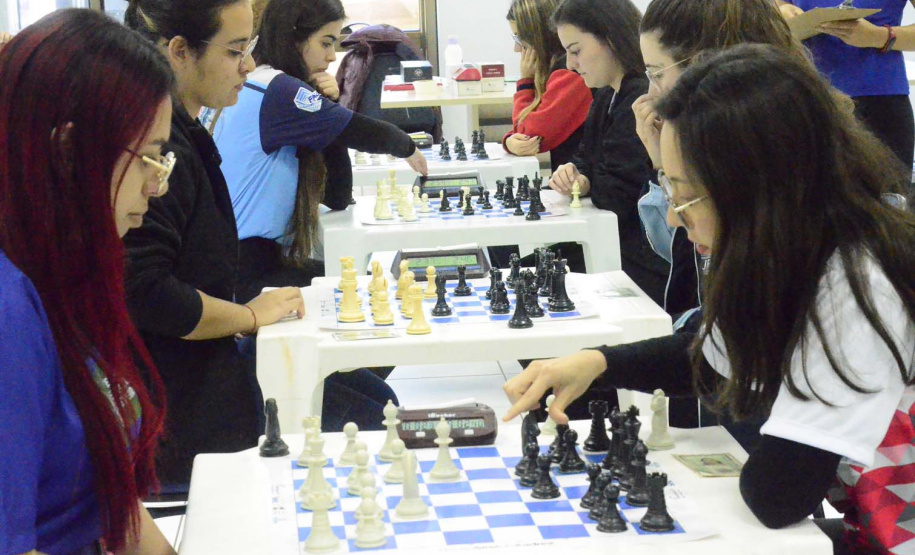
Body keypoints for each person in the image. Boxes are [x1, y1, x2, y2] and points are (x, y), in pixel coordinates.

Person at [505, 44, 915, 555]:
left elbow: (778, 494)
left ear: (760, 188)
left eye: (686, 193)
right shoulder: (792, 246)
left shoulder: (860, 281)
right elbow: (713, 363)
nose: (674, 216)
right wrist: (596, 363)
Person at [124, 0, 396, 488]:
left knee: (374, 400)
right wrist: (248, 317)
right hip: (181, 420)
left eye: (248, 48)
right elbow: (146, 292)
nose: (248, 65)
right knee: (368, 414)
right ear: (180, 52)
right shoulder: (160, 155)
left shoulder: (190, 132)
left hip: (208, 380)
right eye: (234, 51)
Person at [0, 9, 176, 554]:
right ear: (69, 151)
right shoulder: (8, 311)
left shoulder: (62, 277)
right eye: (149, 158)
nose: (157, 186)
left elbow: (114, 505)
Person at [211, 0, 428, 304]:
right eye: (325, 43)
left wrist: (327, 109)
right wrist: (407, 146)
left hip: (249, 261)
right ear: (294, 38)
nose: (331, 57)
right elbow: (360, 131)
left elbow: (336, 195)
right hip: (245, 273)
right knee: (365, 292)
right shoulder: (278, 89)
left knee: (356, 278)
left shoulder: (262, 83)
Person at [547, 0, 668, 307]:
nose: (570, 64)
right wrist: (579, 175)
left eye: (576, 50)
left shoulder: (637, 98)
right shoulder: (605, 96)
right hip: (619, 245)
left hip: (640, 258)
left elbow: (615, 195)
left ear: (611, 38)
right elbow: (585, 160)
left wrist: (588, 179)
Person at [777, 0, 915, 170]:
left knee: (887, 192)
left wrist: (879, 36)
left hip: (879, 103)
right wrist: (781, 10)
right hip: (807, 98)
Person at [502, 0, 592, 170]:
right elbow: (524, 133)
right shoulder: (556, 69)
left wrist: (525, 82)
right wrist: (509, 140)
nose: (516, 48)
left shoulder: (571, 73)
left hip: (582, 184)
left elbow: (529, 137)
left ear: (538, 34)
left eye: (519, 38)